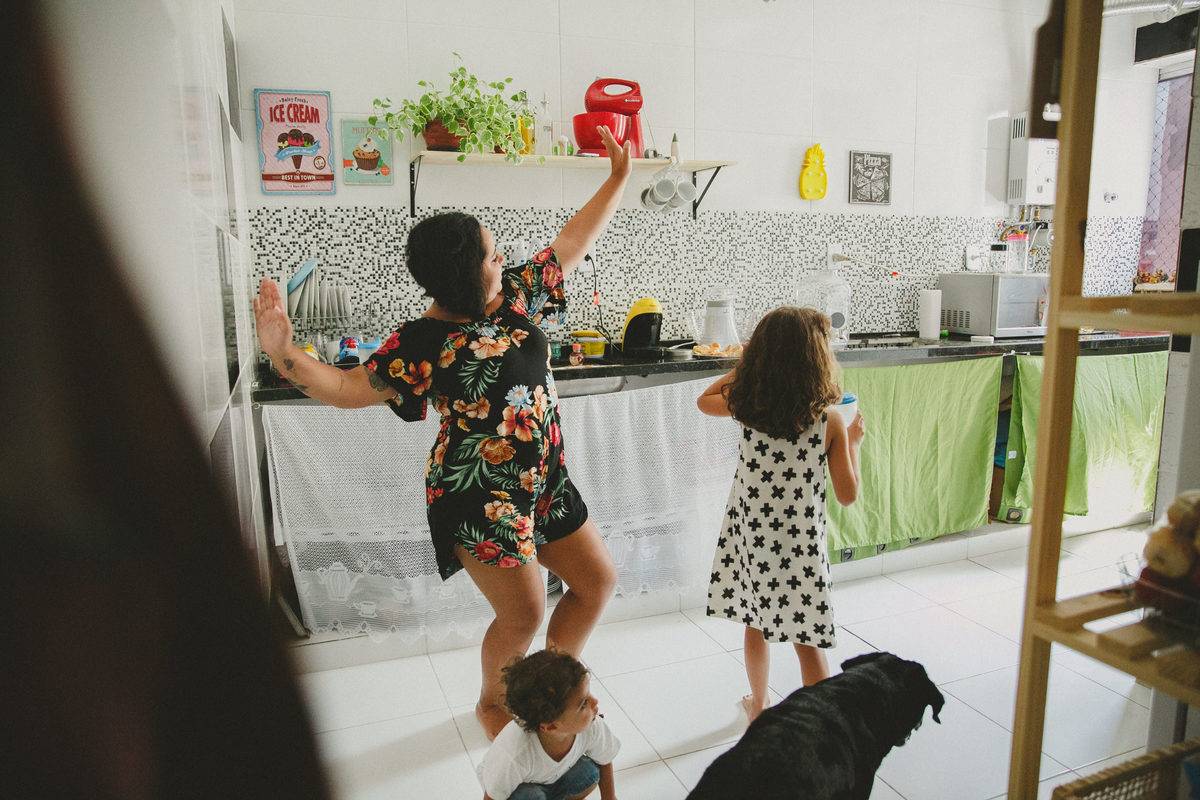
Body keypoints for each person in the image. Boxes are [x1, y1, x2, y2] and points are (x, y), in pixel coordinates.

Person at [254, 126, 632, 740]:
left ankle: (554, 687)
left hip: (544, 480)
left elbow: (571, 242)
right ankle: (493, 703)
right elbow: (347, 388)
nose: (502, 260)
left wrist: (617, 178)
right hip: (479, 493)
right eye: (491, 254)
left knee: (596, 583)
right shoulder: (421, 343)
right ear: (464, 276)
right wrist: (284, 353)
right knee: (524, 613)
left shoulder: (511, 297)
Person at [697, 306, 866, 723]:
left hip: (754, 539)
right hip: (801, 547)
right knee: (807, 638)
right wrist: (854, 444)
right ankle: (821, 724)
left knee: (755, 622)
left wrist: (747, 369)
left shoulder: (746, 406)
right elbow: (847, 496)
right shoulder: (829, 422)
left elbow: (703, 400)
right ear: (818, 360)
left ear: (760, 357)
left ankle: (759, 706)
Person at [477, 649, 619, 800]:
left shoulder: (592, 724)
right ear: (551, 726)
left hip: (554, 777)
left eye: (588, 694)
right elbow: (491, 797)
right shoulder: (515, 754)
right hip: (521, 790)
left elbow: (604, 760)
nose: (595, 701)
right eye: (583, 704)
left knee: (589, 773)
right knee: (531, 796)